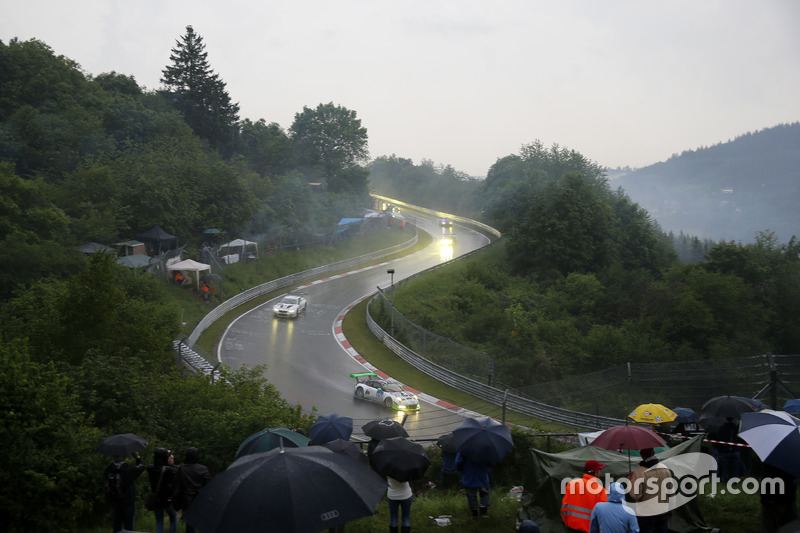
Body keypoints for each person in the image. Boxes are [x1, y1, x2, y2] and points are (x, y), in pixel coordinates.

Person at [629, 448, 673, 533]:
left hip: (646, 513)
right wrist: (671, 508)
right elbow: (671, 491)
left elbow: (635, 495)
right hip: (663, 511)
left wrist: (631, 483)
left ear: (642, 455)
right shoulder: (664, 468)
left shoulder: (639, 472)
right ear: (653, 452)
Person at [561, 459, 608, 532]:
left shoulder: (572, 484)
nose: (600, 472)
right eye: (599, 470)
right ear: (596, 472)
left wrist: (568, 524)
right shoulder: (601, 491)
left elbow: (564, 508)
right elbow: (603, 515)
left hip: (571, 528)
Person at [105, 451, 145, 533]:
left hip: (115, 500)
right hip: (128, 500)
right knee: (128, 525)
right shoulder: (128, 469)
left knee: (116, 523)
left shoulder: (109, 469)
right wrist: (137, 457)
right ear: (124, 457)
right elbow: (141, 467)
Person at [174, 447, 211, 533]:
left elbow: (177, 486)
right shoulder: (203, 469)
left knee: (189, 523)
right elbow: (208, 485)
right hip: (199, 499)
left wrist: (176, 501)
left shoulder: (182, 469)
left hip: (186, 499)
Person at [147, 448, 179, 533]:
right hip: (167, 499)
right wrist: (171, 464)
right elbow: (173, 480)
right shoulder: (169, 470)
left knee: (159, 521)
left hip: (156, 498)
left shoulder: (150, 468)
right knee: (173, 519)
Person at [760, 463, 798, 533]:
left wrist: (767, 497)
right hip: (788, 496)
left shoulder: (773, 458)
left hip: (773, 498)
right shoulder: (794, 458)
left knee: (770, 526)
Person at [456, 452, 492, 520]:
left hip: (469, 476)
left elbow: (458, 463)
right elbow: (490, 463)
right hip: (482, 475)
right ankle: (483, 511)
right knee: (484, 493)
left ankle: (474, 514)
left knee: (471, 495)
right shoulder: (485, 450)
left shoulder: (463, 449)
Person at [713, 417, 741, 482]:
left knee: (725, 468)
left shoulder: (722, 428)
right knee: (735, 468)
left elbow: (719, 441)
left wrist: (719, 451)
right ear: (733, 419)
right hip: (735, 450)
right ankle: (735, 481)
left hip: (725, 451)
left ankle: (726, 481)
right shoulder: (737, 428)